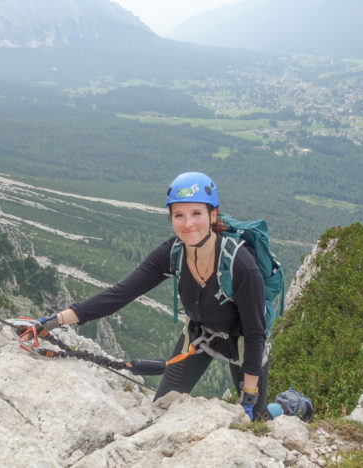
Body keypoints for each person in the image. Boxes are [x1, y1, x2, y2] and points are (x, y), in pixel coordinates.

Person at [25, 172, 269, 420]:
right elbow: (120, 294)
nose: (187, 224)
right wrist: (53, 321)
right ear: (171, 218)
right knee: (161, 407)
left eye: (196, 213)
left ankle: (290, 407)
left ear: (213, 215)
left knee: (257, 419)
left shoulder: (240, 264)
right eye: (179, 215)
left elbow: (254, 332)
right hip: (200, 338)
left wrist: (249, 397)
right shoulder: (173, 252)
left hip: (243, 344)